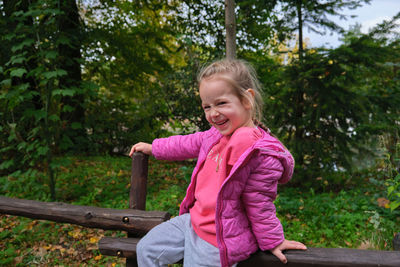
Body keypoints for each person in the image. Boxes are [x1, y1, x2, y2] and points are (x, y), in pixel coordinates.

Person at [129, 59, 306, 267]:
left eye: (221, 103)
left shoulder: (261, 154)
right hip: (193, 221)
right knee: (146, 249)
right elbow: (187, 142)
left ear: (247, 99)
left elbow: (260, 203)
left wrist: (273, 241)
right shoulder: (215, 136)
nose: (213, 113)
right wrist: (154, 148)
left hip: (218, 239)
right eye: (207, 106)